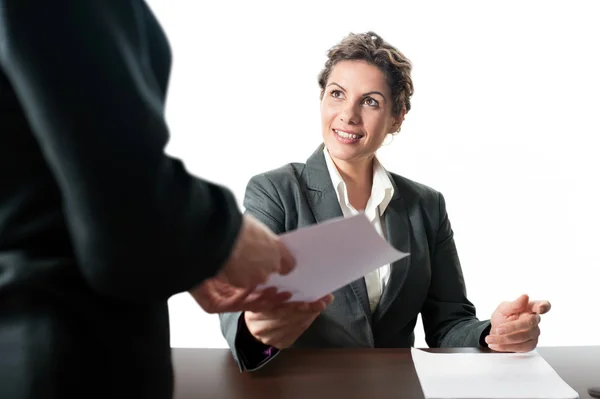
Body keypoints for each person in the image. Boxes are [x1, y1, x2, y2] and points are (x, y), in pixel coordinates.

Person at [0, 1, 295, 398]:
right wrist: (227, 233)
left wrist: (189, 252)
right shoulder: (274, 188)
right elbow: (120, 192)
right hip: (69, 354)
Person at [219, 31, 552, 372]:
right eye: (337, 94)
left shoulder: (426, 206)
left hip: (396, 388)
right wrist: (253, 326)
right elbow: (240, 301)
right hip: (305, 387)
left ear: (397, 117)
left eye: (370, 101)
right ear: (321, 98)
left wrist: (492, 333)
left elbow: (448, 324)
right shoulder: (275, 191)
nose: (348, 114)